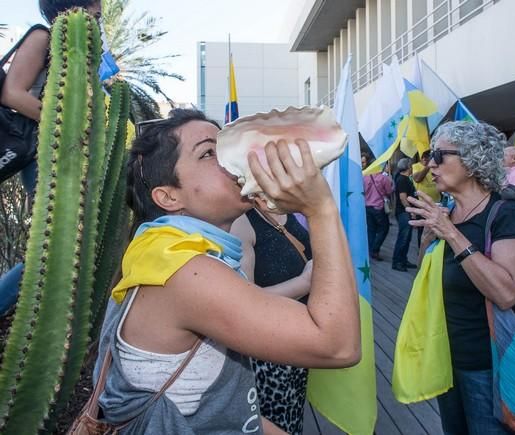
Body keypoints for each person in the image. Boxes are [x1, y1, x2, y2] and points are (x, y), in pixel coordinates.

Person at [94, 110, 361, 433]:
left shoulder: (163, 255)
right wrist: (321, 209)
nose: (231, 159)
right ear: (168, 196)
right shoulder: (183, 271)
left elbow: (214, 408)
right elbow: (338, 346)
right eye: (208, 153)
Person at [407, 121, 515, 434]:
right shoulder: (449, 212)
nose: (431, 163)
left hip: (488, 364)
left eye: (439, 154)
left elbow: (506, 293)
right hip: (447, 358)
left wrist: (450, 233)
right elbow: (428, 276)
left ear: (472, 159)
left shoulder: (506, 213)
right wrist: (430, 236)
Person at [0, 0, 102, 316]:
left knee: (65, 245)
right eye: (95, 15)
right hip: (37, 151)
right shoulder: (43, 36)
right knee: (57, 244)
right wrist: (66, 129)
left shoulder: (77, 50)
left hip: (56, 153)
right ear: (74, 9)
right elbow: (12, 93)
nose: (97, 23)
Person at [230, 205, 313, 434]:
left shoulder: (286, 210)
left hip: (295, 342)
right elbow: (242, 301)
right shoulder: (241, 220)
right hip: (265, 353)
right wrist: (304, 283)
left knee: (292, 416)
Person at [362, 152, 393, 260]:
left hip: (367, 206)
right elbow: (389, 191)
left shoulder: (364, 177)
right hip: (378, 207)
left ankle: (371, 249)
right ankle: (375, 249)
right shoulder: (383, 178)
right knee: (384, 228)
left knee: (371, 229)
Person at [392, 157, 417, 272]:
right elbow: (403, 198)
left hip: (404, 212)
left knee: (407, 237)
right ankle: (397, 261)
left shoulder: (404, 178)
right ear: (408, 167)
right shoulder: (402, 179)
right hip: (403, 212)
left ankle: (403, 259)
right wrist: (410, 211)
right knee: (403, 237)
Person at [412, 150, 440, 247]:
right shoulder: (416, 166)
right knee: (422, 231)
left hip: (437, 203)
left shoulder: (435, 167)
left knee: (435, 230)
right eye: (422, 157)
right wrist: (428, 166)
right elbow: (417, 179)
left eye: (427, 157)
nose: (424, 159)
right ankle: (421, 251)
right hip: (422, 205)